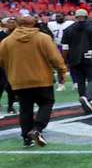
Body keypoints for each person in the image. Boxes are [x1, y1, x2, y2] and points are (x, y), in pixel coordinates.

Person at [0, 13, 67, 147]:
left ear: (18, 24)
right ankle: (37, 129)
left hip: (19, 80)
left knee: (25, 109)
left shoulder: (6, 41)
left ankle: (26, 137)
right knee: (46, 103)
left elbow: (1, 61)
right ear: (34, 24)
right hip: (42, 79)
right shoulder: (43, 38)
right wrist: (61, 71)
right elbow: (55, 58)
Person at [62, 9, 92, 114]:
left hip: (73, 58)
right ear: (86, 16)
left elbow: (65, 48)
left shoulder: (68, 29)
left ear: (76, 17)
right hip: (88, 56)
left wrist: (64, 60)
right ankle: (87, 98)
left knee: (80, 81)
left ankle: (83, 100)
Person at [46, 12, 73, 91]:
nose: (58, 18)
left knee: (73, 65)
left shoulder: (70, 23)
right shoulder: (51, 24)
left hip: (69, 46)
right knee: (59, 66)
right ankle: (61, 84)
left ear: (64, 17)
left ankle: (76, 82)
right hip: (57, 46)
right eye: (57, 16)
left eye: (60, 16)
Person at [0, 17, 17, 114]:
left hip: (15, 63)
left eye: (13, 22)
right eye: (9, 22)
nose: (11, 24)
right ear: (5, 24)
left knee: (11, 86)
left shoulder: (18, 35)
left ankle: (10, 106)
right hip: (2, 63)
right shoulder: (1, 35)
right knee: (2, 84)